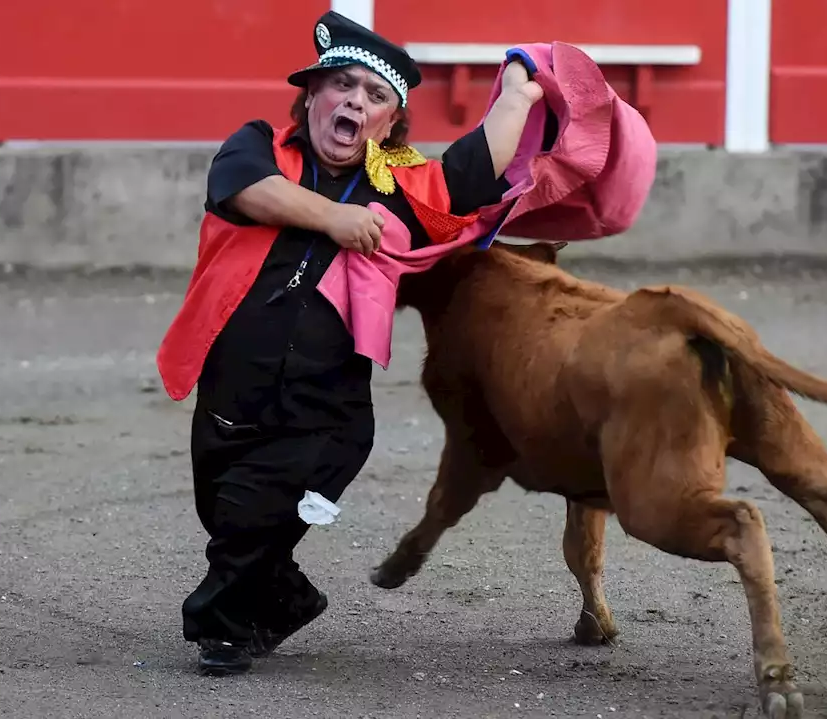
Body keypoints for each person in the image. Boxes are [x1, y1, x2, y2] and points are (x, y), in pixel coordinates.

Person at [159, 10, 544, 676]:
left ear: (390, 123)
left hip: (323, 413)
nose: (354, 101)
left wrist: (521, 85)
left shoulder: (401, 186)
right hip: (228, 392)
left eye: (374, 96)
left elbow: (476, 169)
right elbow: (244, 190)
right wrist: (338, 219)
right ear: (312, 94)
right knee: (228, 517)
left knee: (247, 523)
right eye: (342, 85)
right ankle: (288, 598)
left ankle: (215, 627)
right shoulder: (258, 146)